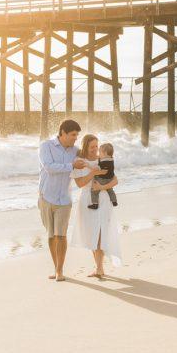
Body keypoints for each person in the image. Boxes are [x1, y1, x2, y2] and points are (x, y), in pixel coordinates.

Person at [38, 119, 96, 282]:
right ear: (62, 132)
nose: (75, 138)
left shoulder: (76, 151)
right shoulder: (46, 146)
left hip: (64, 199)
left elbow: (90, 159)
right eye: (72, 135)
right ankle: (55, 266)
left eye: (77, 135)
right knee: (51, 235)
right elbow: (49, 167)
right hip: (46, 197)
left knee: (61, 235)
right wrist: (71, 166)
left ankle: (59, 270)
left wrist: (105, 162)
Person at [70, 134, 122, 278]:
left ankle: (99, 268)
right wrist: (93, 172)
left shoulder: (102, 160)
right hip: (87, 199)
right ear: (85, 146)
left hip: (103, 199)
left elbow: (115, 180)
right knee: (91, 234)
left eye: (96, 146)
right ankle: (99, 267)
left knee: (100, 232)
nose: (95, 149)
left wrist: (101, 188)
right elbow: (80, 184)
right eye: (92, 147)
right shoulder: (79, 162)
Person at [88, 142, 117, 209]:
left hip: (102, 179)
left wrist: (88, 165)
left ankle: (95, 204)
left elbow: (97, 170)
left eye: (100, 152)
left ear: (105, 153)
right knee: (110, 190)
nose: (99, 154)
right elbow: (103, 159)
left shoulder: (103, 163)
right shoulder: (111, 159)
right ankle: (114, 201)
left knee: (94, 191)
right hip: (110, 178)